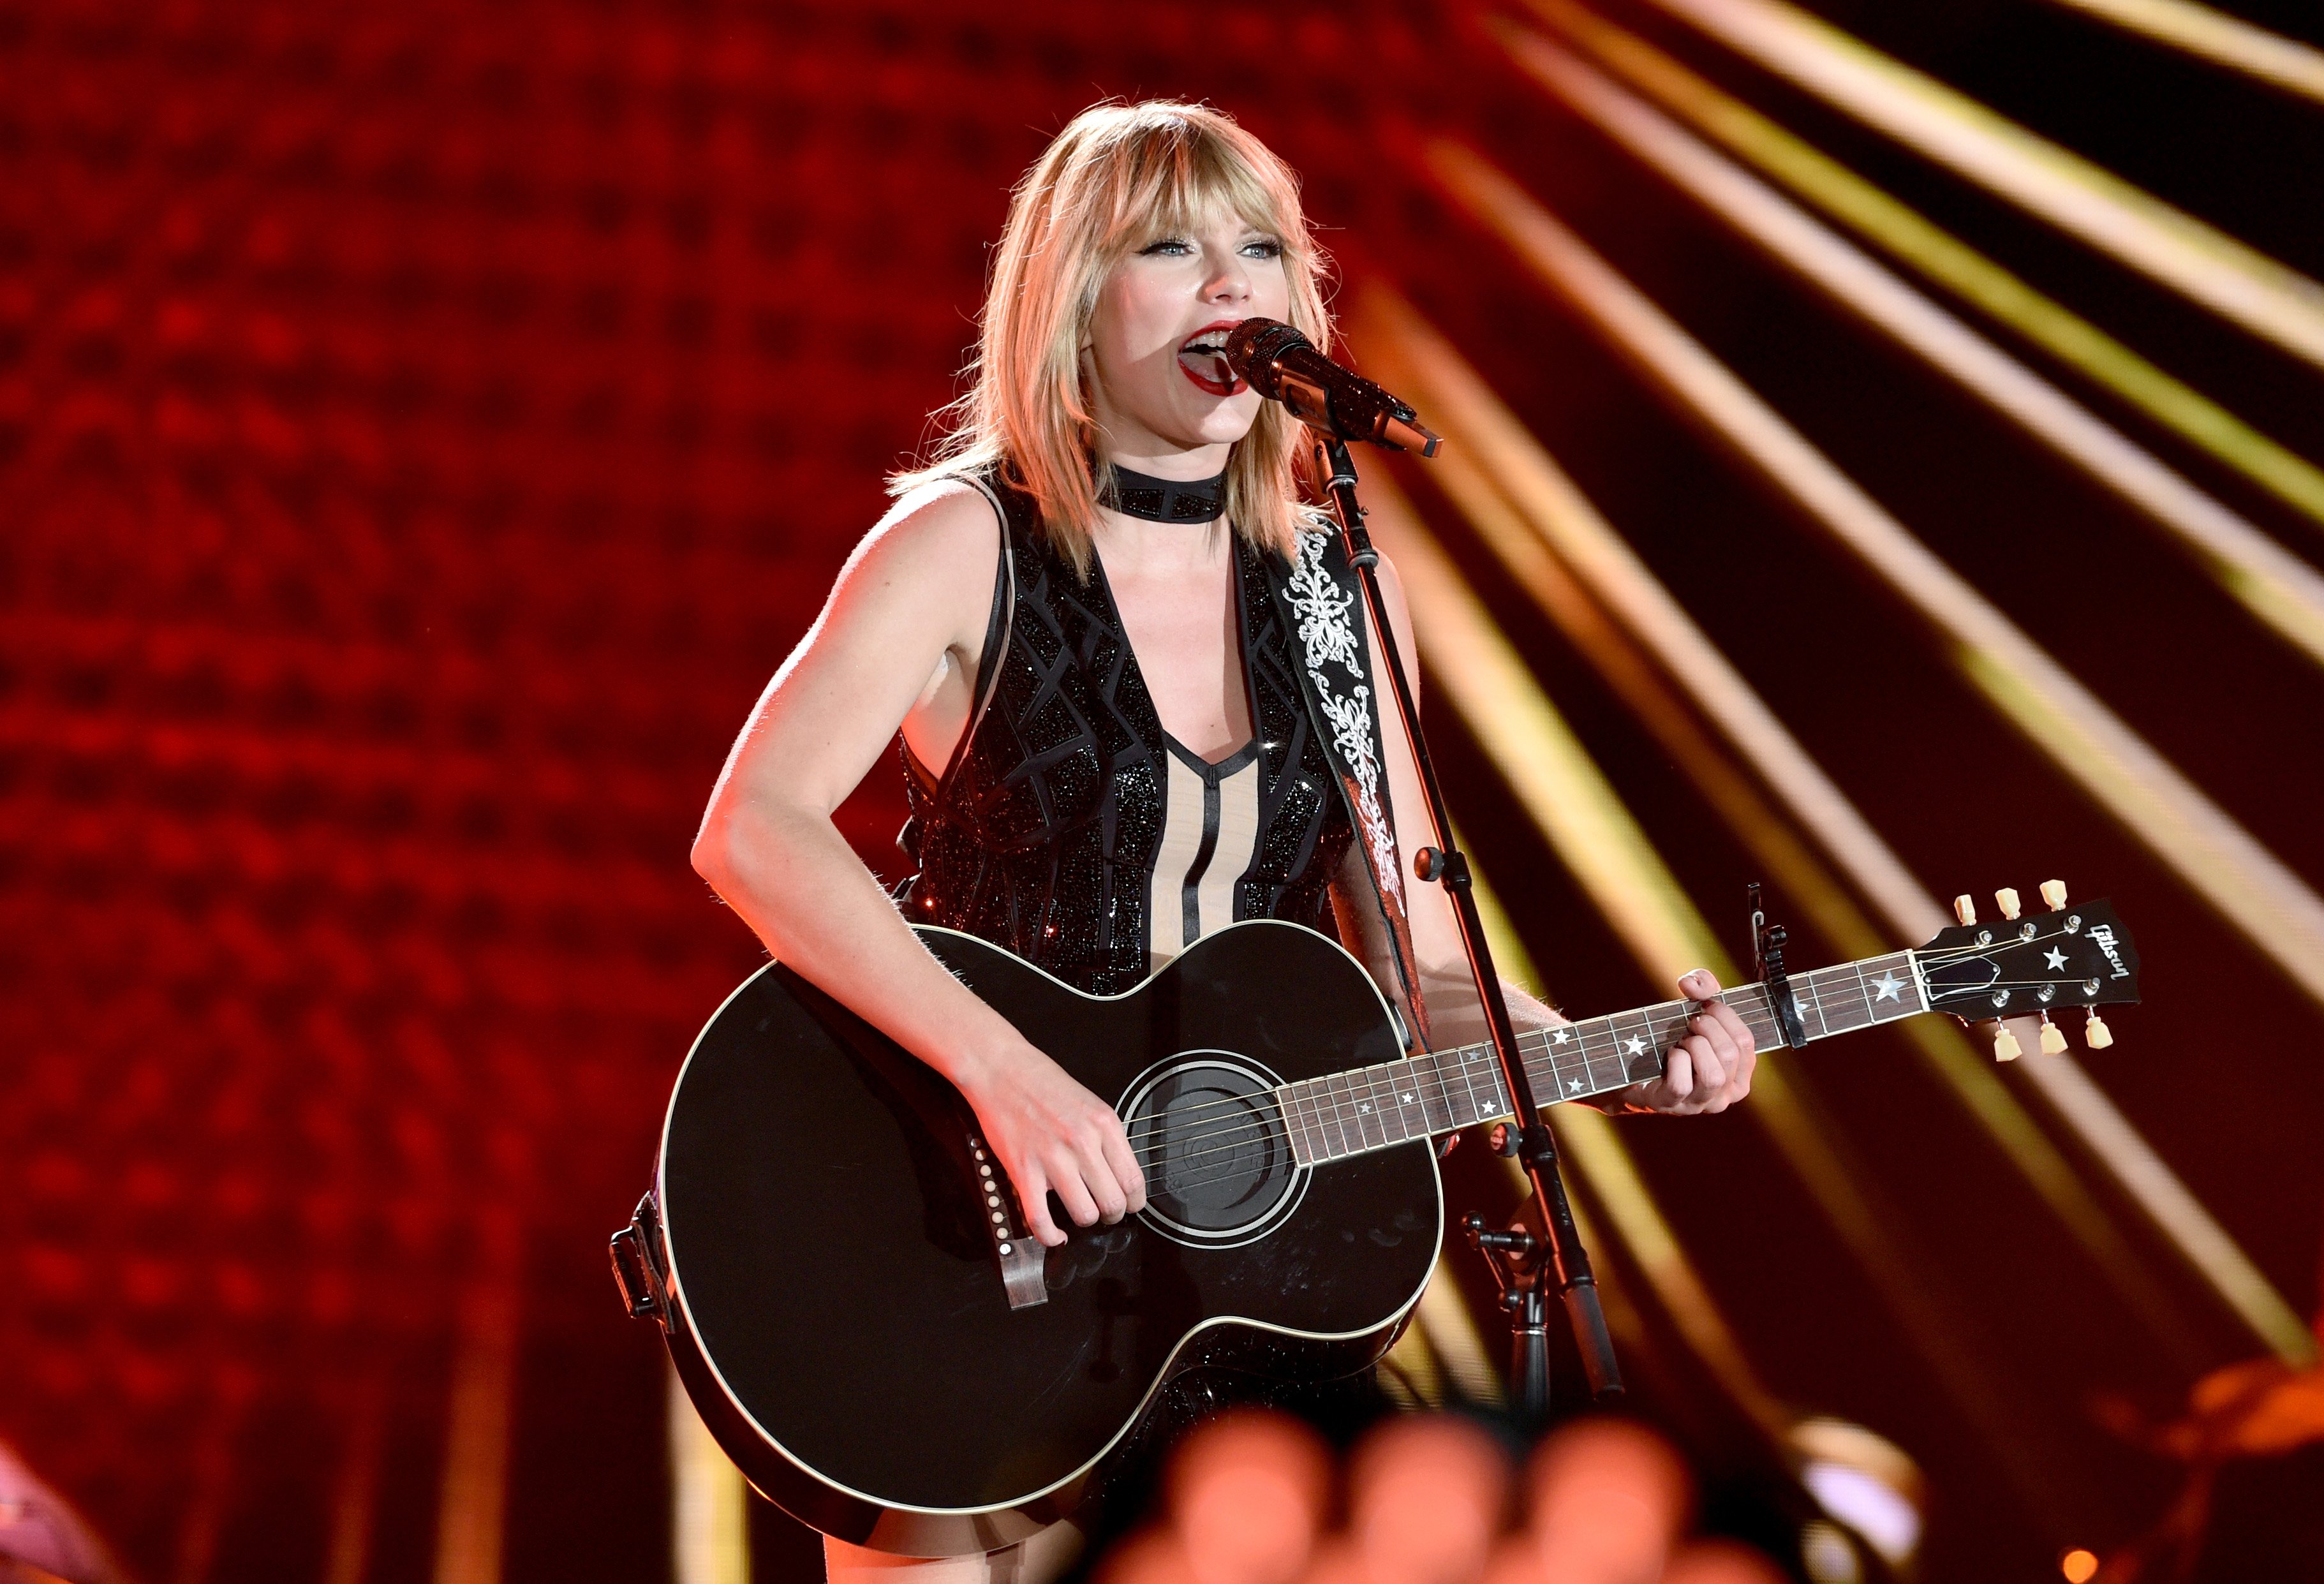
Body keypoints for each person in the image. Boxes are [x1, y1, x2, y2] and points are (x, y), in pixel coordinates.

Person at [690, 100, 1756, 1584]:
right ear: (1071, 299)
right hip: (954, 1226)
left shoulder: (1338, 596)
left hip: (1236, 1272)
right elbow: (755, 831)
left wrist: (1608, 1057)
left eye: (1259, 248)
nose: (1230, 286)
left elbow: (1428, 979)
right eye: (1171, 248)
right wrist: (1016, 1082)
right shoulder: (959, 543)